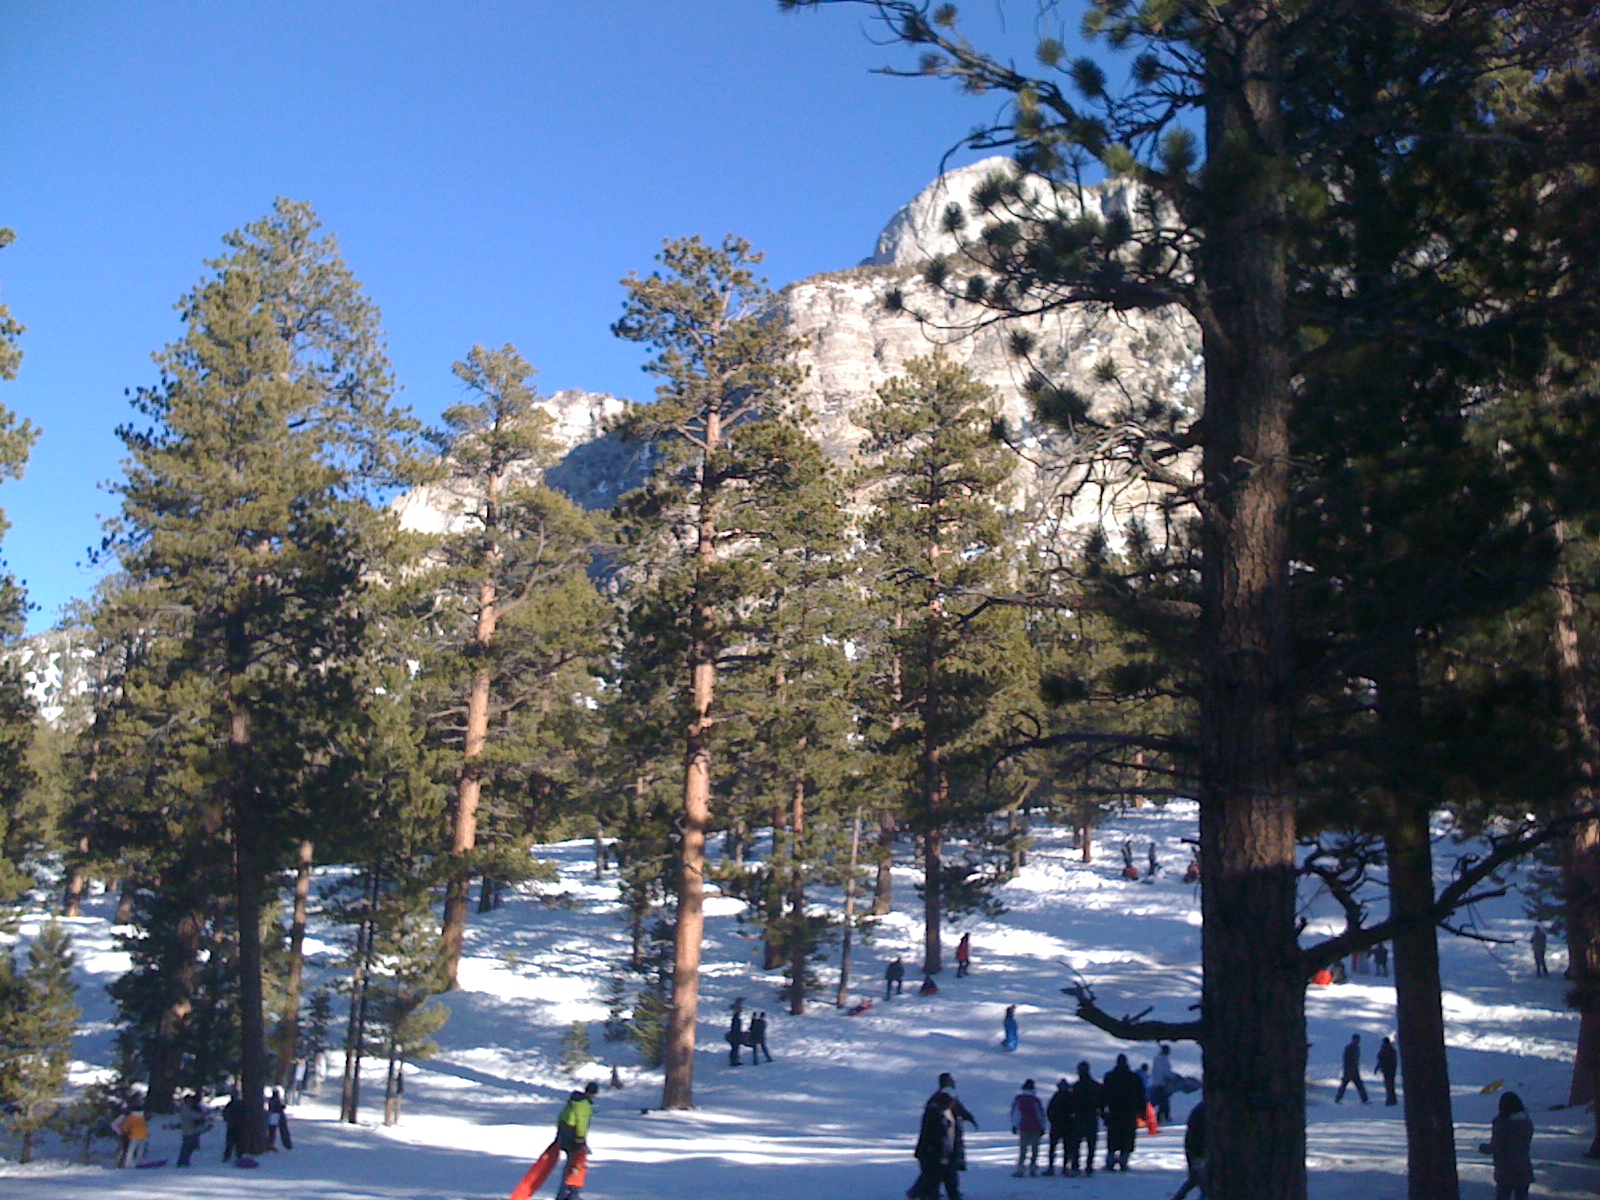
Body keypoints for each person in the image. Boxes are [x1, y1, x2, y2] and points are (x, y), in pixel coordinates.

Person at [510, 1081, 598, 1200]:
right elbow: (582, 1122)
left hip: (564, 1132)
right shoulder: (584, 1104)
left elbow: (562, 1117)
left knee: (570, 1164)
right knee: (575, 1165)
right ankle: (569, 1194)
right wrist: (581, 1139)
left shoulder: (573, 1101)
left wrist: (560, 1134)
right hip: (573, 1136)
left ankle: (566, 1193)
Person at [922, 1073, 977, 1184]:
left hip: (948, 1140)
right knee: (943, 1170)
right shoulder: (943, 1097)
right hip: (944, 1141)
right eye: (952, 1080)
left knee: (942, 1171)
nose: (954, 1082)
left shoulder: (944, 1096)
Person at [1479, 1091, 1534, 1200]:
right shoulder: (1526, 1122)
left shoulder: (1502, 1124)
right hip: (1524, 1167)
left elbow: (1496, 1146)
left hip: (1506, 1169)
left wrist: (1483, 1148)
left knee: (1503, 1195)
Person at [1101, 1053, 1147, 1172]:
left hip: (1113, 1112)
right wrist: (1142, 1112)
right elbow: (1141, 1096)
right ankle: (1123, 1160)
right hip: (1129, 1113)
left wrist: (1103, 1111)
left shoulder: (1110, 1077)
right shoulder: (1134, 1078)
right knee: (1127, 1138)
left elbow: (1104, 1096)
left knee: (1113, 1138)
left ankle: (1110, 1160)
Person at [911, 1092, 960, 1200]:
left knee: (937, 1179)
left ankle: (918, 1193)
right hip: (933, 1154)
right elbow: (934, 1135)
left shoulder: (946, 1113)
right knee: (932, 1180)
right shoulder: (934, 1113)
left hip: (943, 1154)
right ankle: (919, 1193)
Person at [1067, 1061, 1102, 1177]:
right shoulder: (1095, 1086)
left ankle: (1075, 1165)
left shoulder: (1076, 1087)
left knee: (1076, 1143)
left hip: (1079, 1117)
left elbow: (1070, 1103)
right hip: (1092, 1117)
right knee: (1091, 1144)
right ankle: (1089, 1166)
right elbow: (1102, 1101)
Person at [1009, 1078, 1047, 1177]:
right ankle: (1033, 1169)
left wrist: (1015, 1125)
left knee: (1023, 1149)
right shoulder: (1036, 1100)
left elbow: (1015, 1114)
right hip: (1036, 1127)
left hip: (1023, 1126)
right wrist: (1043, 1126)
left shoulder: (1019, 1099)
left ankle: (1020, 1169)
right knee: (1035, 1149)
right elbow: (1040, 1115)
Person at [1172, 1099, 1206, 1200]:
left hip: (1195, 1149)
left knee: (1195, 1179)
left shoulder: (1201, 1108)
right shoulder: (1206, 1110)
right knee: (1205, 1184)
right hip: (1200, 1150)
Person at [1043, 1077, 1073, 1176]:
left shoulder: (1056, 1097)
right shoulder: (1071, 1097)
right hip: (1067, 1126)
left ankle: (1051, 1167)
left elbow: (1049, 1111)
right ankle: (1065, 1168)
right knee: (1066, 1147)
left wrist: (1053, 1121)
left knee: (1053, 1147)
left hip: (1056, 1126)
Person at [174, 1092, 208, 1167]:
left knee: (189, 1148)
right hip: (187, 1131)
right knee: (186, 1147)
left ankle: (185, 1162)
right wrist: (201, 1115)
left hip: (191, 1130)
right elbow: (192, 1116)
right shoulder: (185, 1108)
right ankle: (182, 1162)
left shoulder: (189, 1108)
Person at [1335, 1034, 1369, 1103]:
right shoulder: (1349, 1048)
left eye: (1358, 1040)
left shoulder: (1357, 1048)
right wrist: (1347, 1068)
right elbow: (1346, 1059)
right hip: (1349, 1069)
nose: (1358, 1041)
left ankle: (1364, 1099)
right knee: (1345, 1084)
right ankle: (1338, 1098)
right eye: (1356, 1039)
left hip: (1355, 1069)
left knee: (1358, 1085)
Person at [1150, 1044, 1176, 1123]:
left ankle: (1161, 1116)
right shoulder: (1163, 1060)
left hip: (1157, 1082)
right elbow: (1165, 1072)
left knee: (1161, 1100)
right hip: (1163, 1083)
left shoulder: (1157, 1059)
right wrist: (1172, 1077)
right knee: (1164, 1101)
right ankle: (1164, 1116)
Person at [221, 1090, 244, 1161]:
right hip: (237, 1125)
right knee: (237, 1142)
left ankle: (228, 1156)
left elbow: (224, 1113)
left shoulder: (231, 1104)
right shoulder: (240, 1104)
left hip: (233, 1125)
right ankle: (238, 1156)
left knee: (231, 1142)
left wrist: (227, 1119)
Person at [1376, 1037, 1399, 1106]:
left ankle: (1390, 1100)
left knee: (1388, 1085)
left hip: (1386, 1070)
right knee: (1391, 1085)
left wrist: (1378, 1068)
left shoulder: (1384, 1050)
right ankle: (1393, 1099)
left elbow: (1380, 1059)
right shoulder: (1392, 1050)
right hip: (1391, 1070)